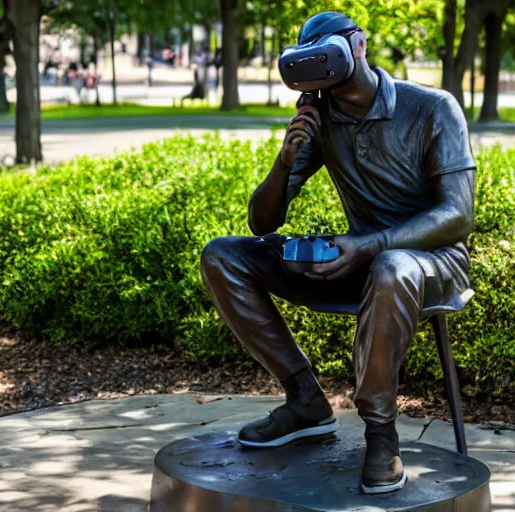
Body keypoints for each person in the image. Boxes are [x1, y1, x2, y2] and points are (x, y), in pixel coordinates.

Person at [200, 11, 476, 494]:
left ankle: (381, 432)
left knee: (391, 267)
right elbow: (262, 221)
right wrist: (286, 160)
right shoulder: (320, 118)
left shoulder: (433, 108)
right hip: (362, 260)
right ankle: (305, 399)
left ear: (359, 46)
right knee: (224, 255)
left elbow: (458, 216)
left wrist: (372, 244)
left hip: (432, 262)